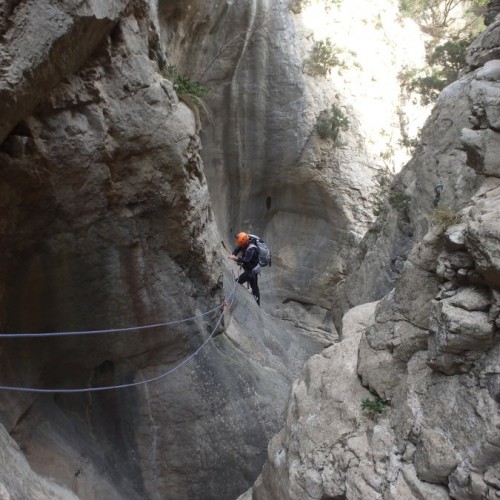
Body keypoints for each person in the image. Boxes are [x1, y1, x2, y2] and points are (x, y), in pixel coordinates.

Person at [228, 232, 261, 306]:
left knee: (239, 283)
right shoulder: (244, 243)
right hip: (249, 269)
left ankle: (257, 305)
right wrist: (233, 254)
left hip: (251, 272)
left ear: (245, 242)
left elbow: (246, 260)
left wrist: (236, 258)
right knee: (254, 287)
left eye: (241, 244)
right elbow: (237, 249)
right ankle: (257, 304)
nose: (240, 246)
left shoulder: (251, 249)